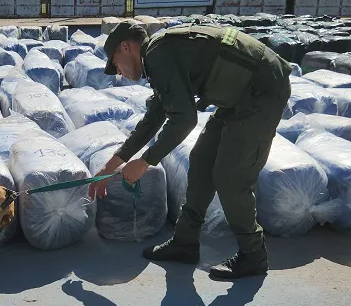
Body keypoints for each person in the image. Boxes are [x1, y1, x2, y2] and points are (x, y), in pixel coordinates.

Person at [90, 20, 291, 279]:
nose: (118, 71)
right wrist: (111, 166)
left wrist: (145, 162)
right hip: (239, 95)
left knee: (230, 177)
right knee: (201, 161)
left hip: (262, 91)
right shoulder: (159, 55)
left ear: (126, 47)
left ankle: (253, 256)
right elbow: (155, 116)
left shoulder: (160, 55)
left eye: (115, 62)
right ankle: (185, 243)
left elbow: (184, 119)